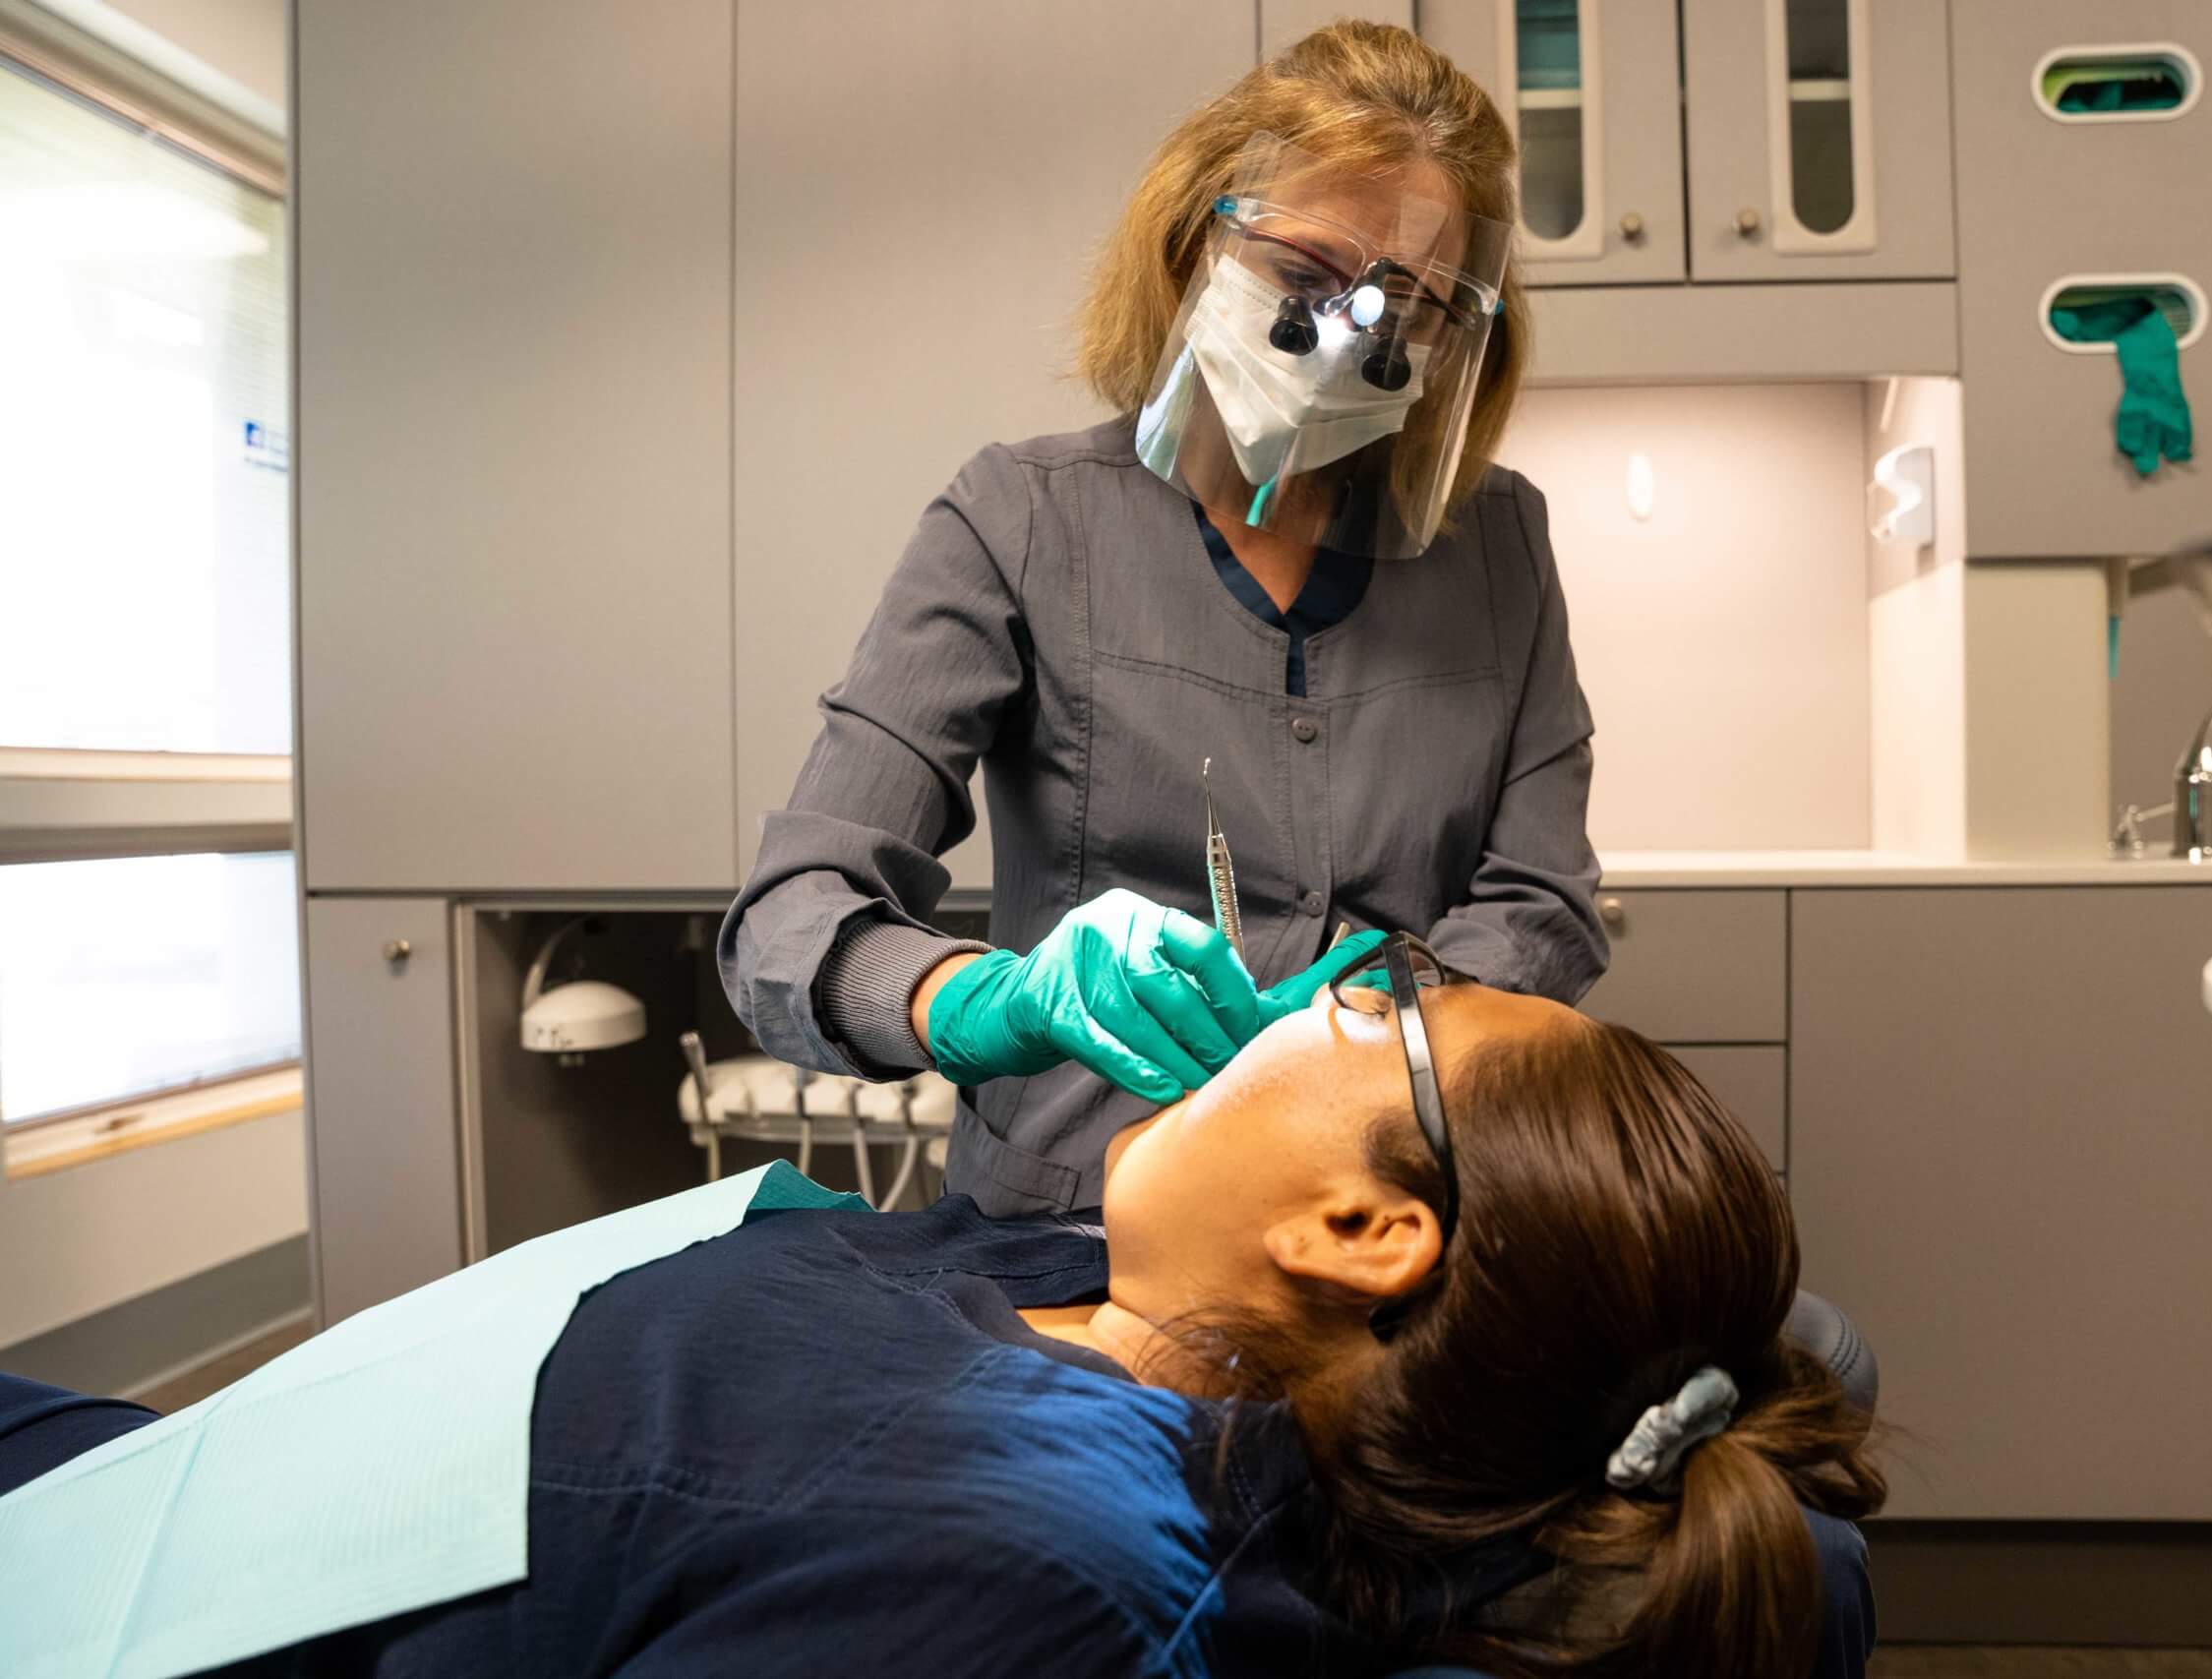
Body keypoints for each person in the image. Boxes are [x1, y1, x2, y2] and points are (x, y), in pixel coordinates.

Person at [1, 952, 1880, 1678]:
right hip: (177, 1482)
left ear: (1366, 1226)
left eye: (1382, 1001)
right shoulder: (1082, 1280)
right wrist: (967, 988)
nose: (1311, 988)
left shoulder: (1024, 1572)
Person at [721, 22, 1607, 1218]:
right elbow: (788, 919)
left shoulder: (1494, 545)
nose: (1344, 337)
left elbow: (1545, 902)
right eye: (1303, 278)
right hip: (1079, 1214)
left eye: (1403, 304)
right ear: (1197, 244)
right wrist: (983, 1003)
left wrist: (1390, 1009)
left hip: (1386, 1194)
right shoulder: (1020, 518)